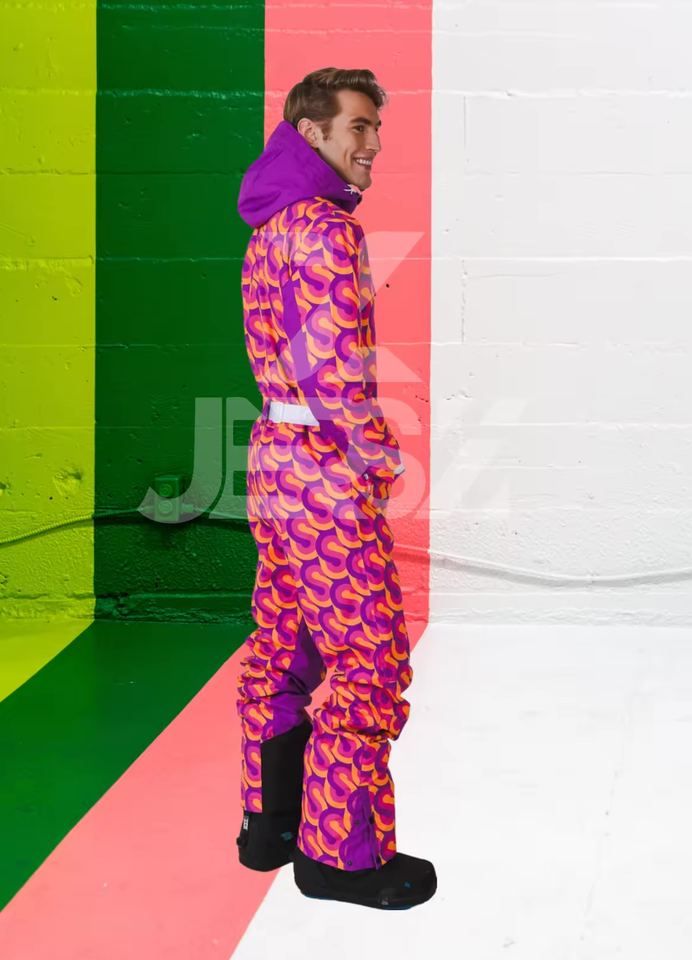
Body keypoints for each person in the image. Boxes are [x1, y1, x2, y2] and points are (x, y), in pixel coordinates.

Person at [234, 67, 436, 910]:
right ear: (310, 132)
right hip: (324, 465)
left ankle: (271, 824)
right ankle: (339, 856)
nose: (374, 144)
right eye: (358, 127)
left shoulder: (270, 227)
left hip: (274, 456)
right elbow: (332, 367)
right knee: (370, 661)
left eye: (375, 128)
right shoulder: (322, 229)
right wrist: (378, 458)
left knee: (282, 643)